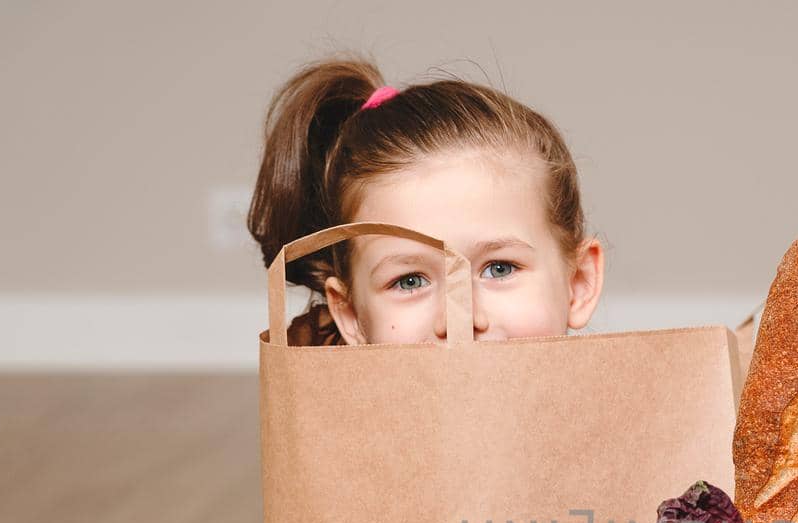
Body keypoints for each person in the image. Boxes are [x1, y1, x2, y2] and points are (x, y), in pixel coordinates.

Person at [248, 54, 604, 345]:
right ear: (351, 315)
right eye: (410, 280)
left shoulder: (629, 422)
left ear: (578, 285)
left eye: (500, 268)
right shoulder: (321, 428)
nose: (461, 320)